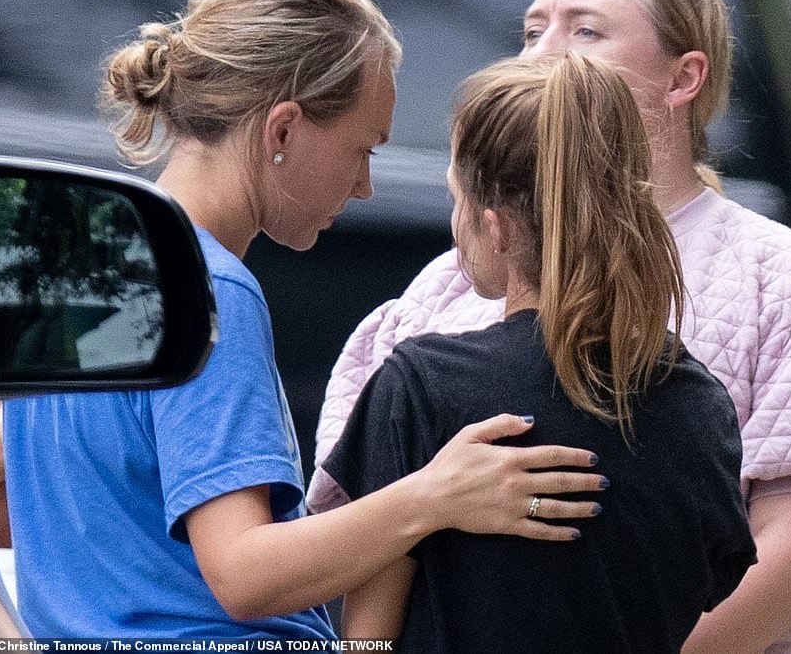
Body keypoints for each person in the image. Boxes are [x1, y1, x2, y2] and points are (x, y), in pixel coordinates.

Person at [309, 0, 791, 654]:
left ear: (684, 76)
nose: (543, 54)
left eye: (585, 30)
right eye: (533, 30)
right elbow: (362, 533)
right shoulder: (443, 292)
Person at [1, 0, 606, 638]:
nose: (364, 188)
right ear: (282, 131)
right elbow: (244, 574)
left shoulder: (74, 267)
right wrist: (436, 495)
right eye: (363, 149)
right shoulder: (209, 290)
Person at [322, 52, 758, 652]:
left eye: (459, 199)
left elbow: (367, 639)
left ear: (496, 227)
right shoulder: (698, 403)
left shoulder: (421, 388)